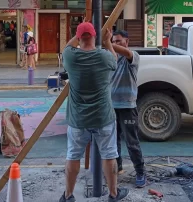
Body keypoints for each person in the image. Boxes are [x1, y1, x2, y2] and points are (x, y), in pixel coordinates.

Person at [59, 22, 129, 202]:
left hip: (78, 119)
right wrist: (107, 41)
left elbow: (68, 46)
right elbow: (114, 59)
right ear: (94, 36)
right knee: (109, 155)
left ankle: (68, 195)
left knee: (73, 156)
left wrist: (78, 32)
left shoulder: (70, 57)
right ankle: (113, 194)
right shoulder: (104, 57)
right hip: (103, 117)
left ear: (78, 37)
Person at [111, 30, 146, 188]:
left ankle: (140, 171)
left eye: (119, 41)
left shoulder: (132, 57)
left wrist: (106, 42)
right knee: (113, 141)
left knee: (131, 142)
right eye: (114, 41)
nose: (116, 44)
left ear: (127, 42)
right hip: (111, 106)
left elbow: (124, 52)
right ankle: (117, 168)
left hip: (127, 106)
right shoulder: (111, 60)